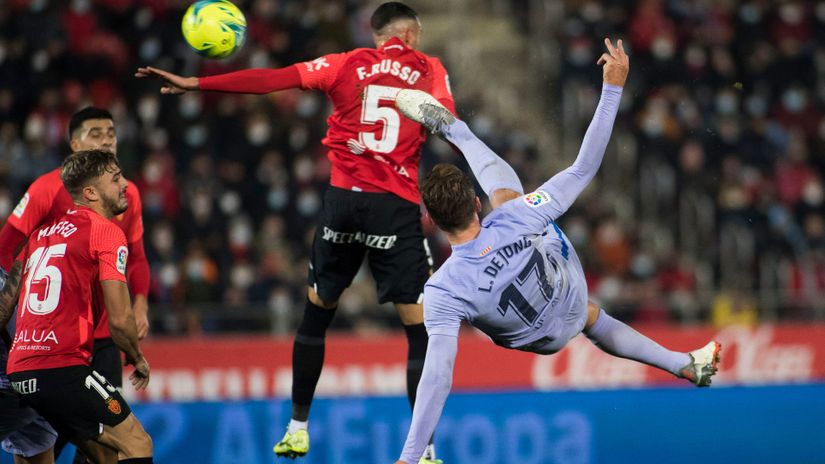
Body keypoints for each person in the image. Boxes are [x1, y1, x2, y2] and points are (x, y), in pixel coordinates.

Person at [136, 3, 453, 462]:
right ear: (410, 32)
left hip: (342, 203)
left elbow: (273, 78)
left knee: (316, 315)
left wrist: (198, 83)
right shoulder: (429, 68)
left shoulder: (345, 63)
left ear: (379, 34)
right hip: (394, 208)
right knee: (418, 330)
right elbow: (448, 121)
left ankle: (297, 428)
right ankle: (423, 448)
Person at [390, 38, 721, 464]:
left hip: (538, 338)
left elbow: (437, 376)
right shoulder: (518, 216)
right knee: (514, 202)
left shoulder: (443, 291)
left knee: (575, 300)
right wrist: (613, 87)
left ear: (431, 223)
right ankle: (454, 128)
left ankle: (683, 363)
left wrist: (410, 455)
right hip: (569, 294)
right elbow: (585, 166)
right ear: (475, 204)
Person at [0, 107, 151, 463]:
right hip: (66, 358)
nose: (107, 140)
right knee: (136, 444)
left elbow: (12, 287)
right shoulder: (57, 198)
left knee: (92, 451)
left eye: (111, 132)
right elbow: (4, 252)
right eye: (96, 134)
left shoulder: (43, 234)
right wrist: (137, 355)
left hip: (32, 359)